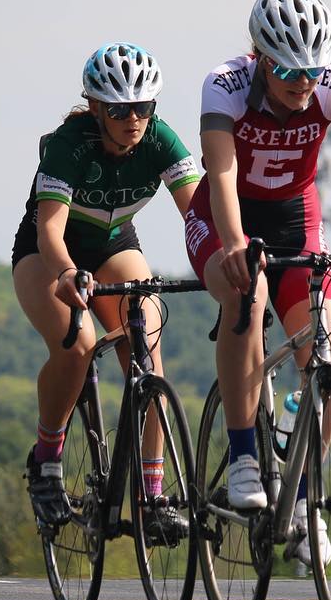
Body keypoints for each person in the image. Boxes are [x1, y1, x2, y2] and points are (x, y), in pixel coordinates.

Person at [184, 0, 331, 565]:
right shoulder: (225, 84)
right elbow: (221, 176)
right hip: (225, 216)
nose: (304, 84)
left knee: (329, 353)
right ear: (260, 57)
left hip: (295, 218)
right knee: (245, 300)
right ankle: (244, 452)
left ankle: (305, 503)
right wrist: (233, 243)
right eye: (289, 72)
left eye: (313, 71)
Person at [12, 42, 200, 540]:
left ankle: (151, 495)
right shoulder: (69, 145)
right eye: (120, 109)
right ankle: (47, 461)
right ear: (96, 107)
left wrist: (227, 258)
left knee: (148, 346)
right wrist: (68, 273)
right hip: (47, 252)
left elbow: (199, 214)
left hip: (115, 244)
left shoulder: (160, 139)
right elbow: (50, 229)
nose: (133, 118)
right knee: (78, 347)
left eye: (144, 106)